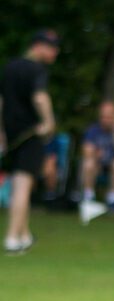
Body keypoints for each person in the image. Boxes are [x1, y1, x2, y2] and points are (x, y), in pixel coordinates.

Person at [0, 29, 59, 255]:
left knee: (20, 184)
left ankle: (24, 235)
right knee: (22, 186)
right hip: (30, 134)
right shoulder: (36, 69)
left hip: (12, 135)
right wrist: (49, 122)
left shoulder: (11, 67)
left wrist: (1, 131)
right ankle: (12, 238)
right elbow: (40, 97)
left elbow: (1, 101)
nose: (55, 52)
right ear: (37, 46)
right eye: (51, 47)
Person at [80, 100, 114, 211]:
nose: (105, 120)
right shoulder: (93, 130)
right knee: (88, 163)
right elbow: (86, 150)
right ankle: (88, 197)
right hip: (97, 165)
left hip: (113, 167)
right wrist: (95, 155)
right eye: (103, 117)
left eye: (109, 117)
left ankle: (113, 199)